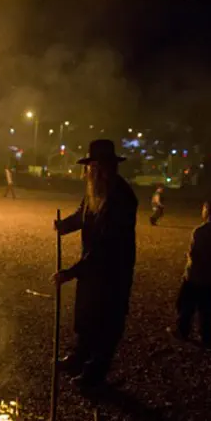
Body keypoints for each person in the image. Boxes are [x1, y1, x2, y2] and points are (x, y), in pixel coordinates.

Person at [53, 139, 138, 390]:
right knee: (87, 314)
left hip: (113, 271)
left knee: (106, 321)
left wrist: (71, 273)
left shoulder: (121, 197)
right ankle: (80, 357)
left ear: (104, 167)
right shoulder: (96, 189)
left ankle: (94, 373)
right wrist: (64, 227)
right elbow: (83, 214)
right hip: (92, 268)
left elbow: (106, 248)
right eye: (89, 166)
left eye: (93, 166)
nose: (88, 172)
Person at [167, 198, 211, 346]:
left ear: (207, 210)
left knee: (185, 305)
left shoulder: (200, 231)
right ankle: (206, 336)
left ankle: (183, 331)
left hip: (194, 275)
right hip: (210, 276)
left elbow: (194, 254)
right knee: (206, 308)